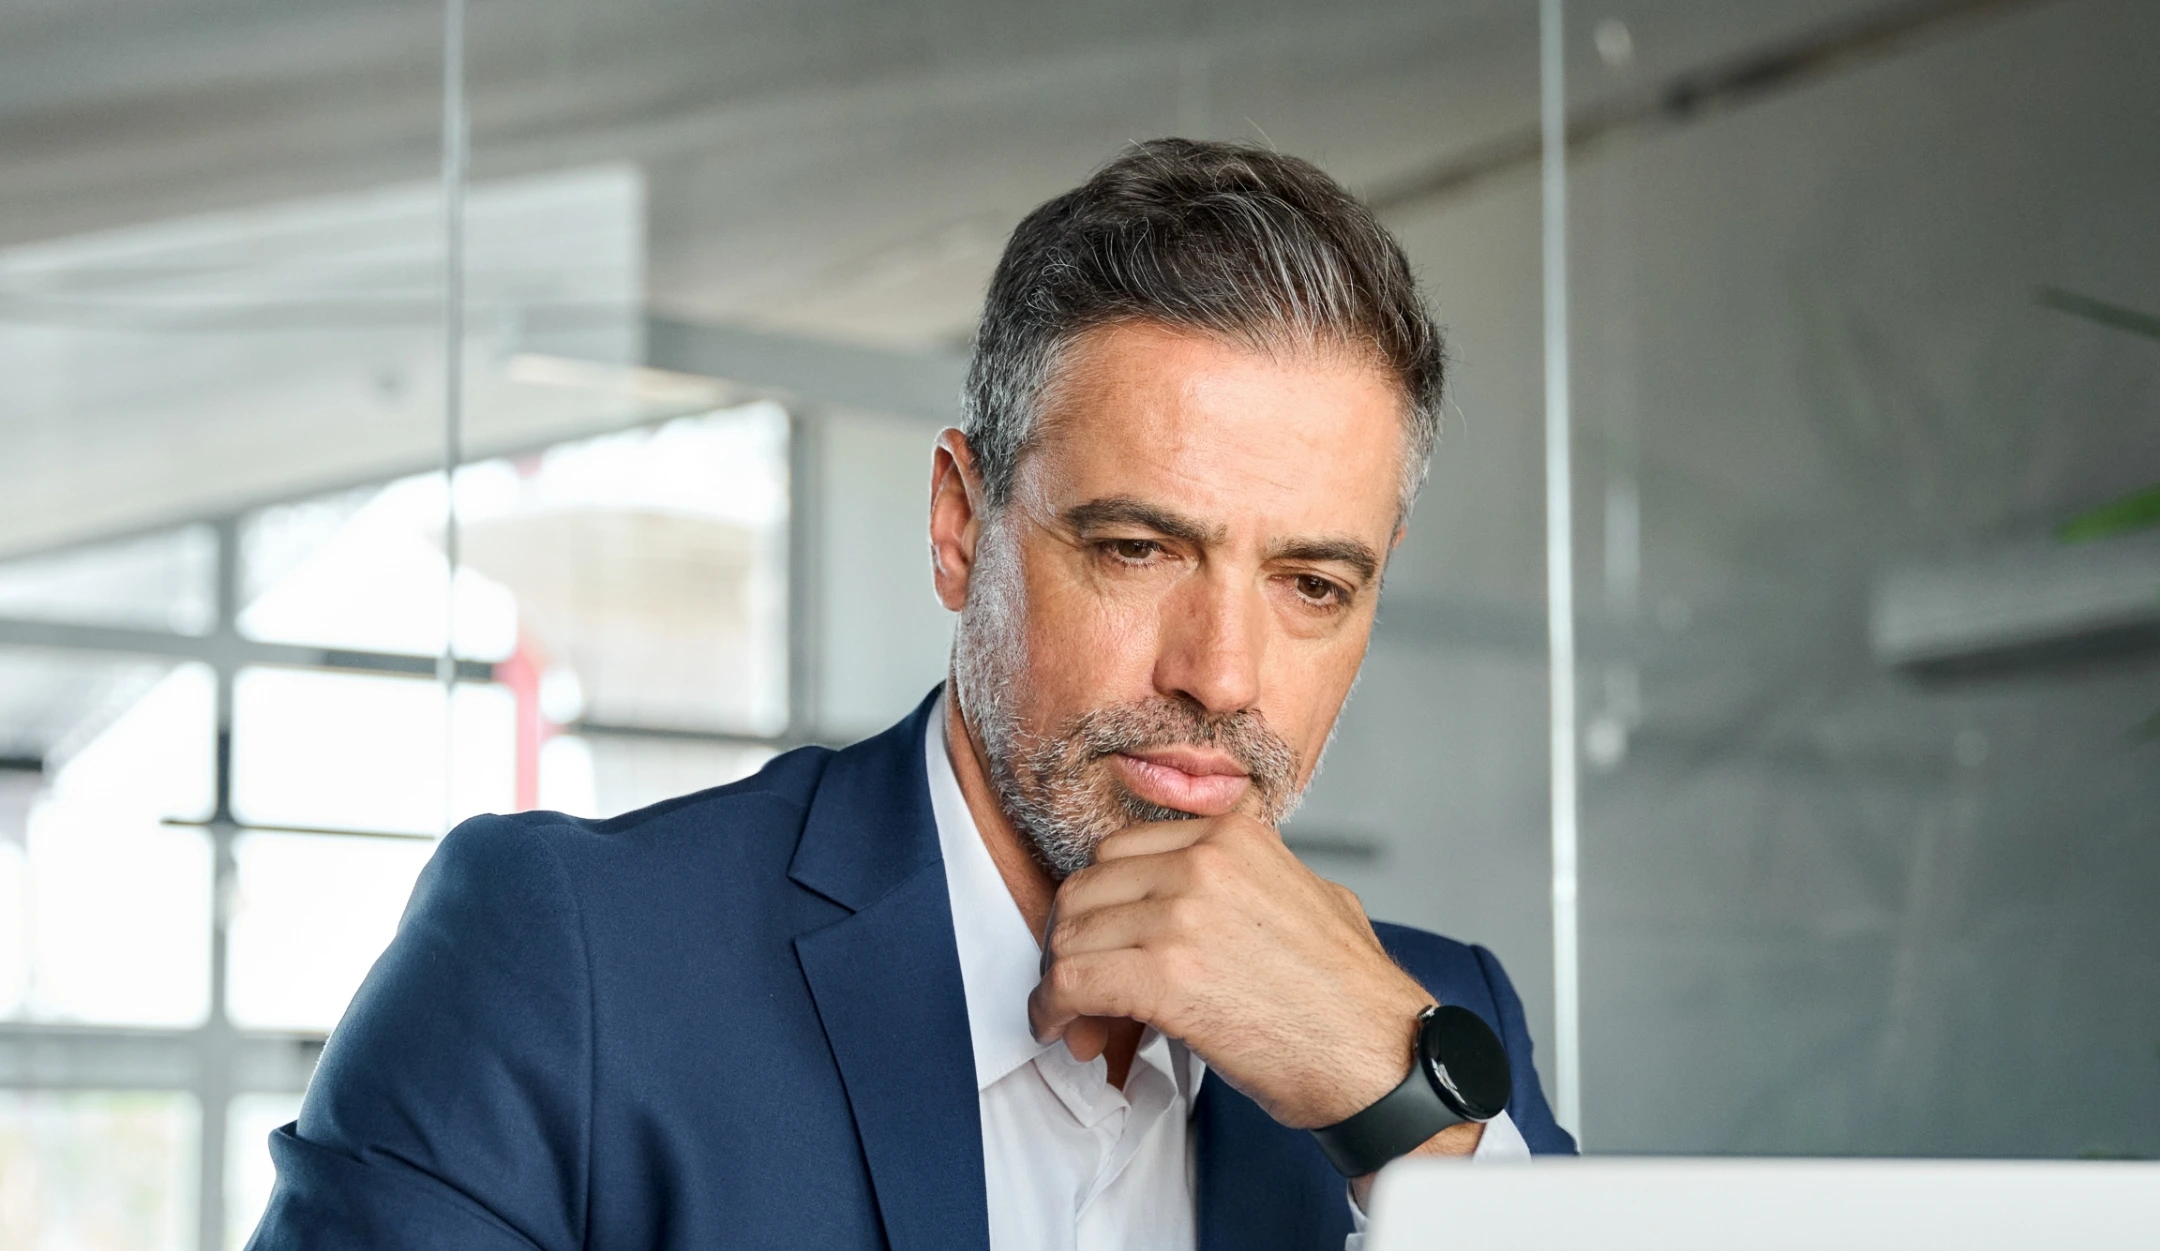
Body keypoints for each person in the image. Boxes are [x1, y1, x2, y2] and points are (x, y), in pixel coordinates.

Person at [249, 138, 1574, 1251]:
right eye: (1136, 549)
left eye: (1313, 585)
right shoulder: (570, 963)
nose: (1221, 675)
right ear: (958, 522)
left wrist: (1409, 1108)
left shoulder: (1432, 1021)